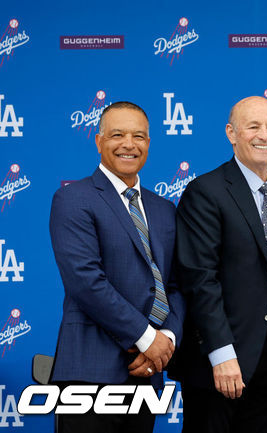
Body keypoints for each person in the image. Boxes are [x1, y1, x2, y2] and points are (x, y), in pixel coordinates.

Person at [49, 101, 185, 432]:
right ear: (98, 141)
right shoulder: (73, 198)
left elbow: (178, 284)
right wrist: (144, 338)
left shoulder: (164, 208)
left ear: (149, 144)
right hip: (90, 374)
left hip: (146, 375)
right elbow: (85, 282)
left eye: (138, 136)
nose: (129, 144)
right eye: (117, 134)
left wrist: (165, 338)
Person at [170, 96, 267, 432]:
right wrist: (222, 353)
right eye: (253, 126)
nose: (264, 135)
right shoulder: (206, 191)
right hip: (222, 361)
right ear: (231, 133)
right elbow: (200, 279)